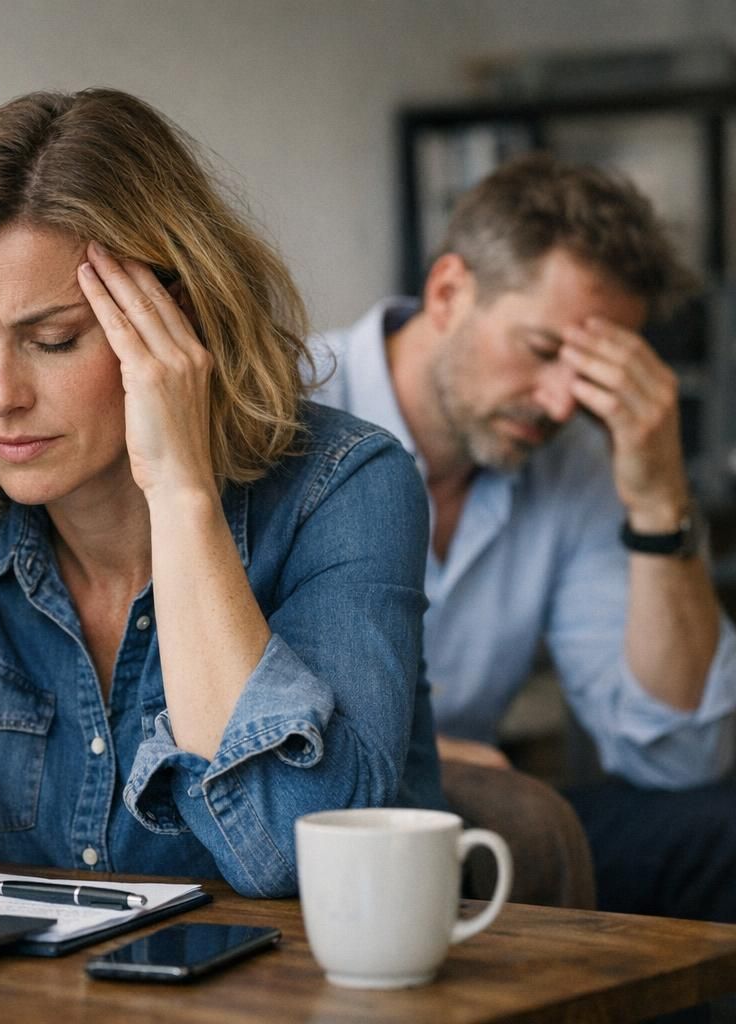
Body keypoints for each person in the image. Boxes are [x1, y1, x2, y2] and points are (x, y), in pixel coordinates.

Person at [0, 88, 442, 898]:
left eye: (53, 340)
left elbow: (295, 850)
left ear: (176, 322)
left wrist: (179, 492)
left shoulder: (346, 488)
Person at [314, 153, 736, 920]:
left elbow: (679, 756)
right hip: (310, 807)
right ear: (448, 292)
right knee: (519, 822)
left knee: (719, 833)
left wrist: (658, 501)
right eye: (543, 351)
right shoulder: (285, 405)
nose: (561, 401)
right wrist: (425, 754)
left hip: (479, 820)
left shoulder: (572, 460)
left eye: (592, 372)